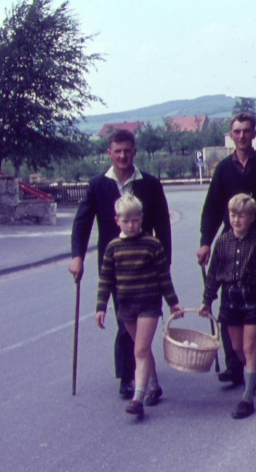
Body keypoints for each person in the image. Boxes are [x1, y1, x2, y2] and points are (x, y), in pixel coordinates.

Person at [70, 129, 173, 399]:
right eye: (117, 151)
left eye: (127, 150)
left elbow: (163, 226)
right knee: (125, 318)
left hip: (145, 263)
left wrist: (165, 265)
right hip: (114, 264)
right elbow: (82, 222)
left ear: (134, 152)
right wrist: (77, 256)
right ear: (109, 153)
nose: (123, 156)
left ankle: (139, 376)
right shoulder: (97, 185)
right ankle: (128, 376)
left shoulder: (150, 184)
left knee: (143, 319)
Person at [196, 112, 256, 385]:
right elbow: (212, 209)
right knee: (230, 305)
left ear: (254, 135)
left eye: (246, 131)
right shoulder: (224, 170)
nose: (241, 136)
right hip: (231, 246)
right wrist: (206, 241)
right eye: (236, 131)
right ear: (231, 135)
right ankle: (234, 365)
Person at [96, 194, 184, 418]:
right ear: (117, 221)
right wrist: (100, 307)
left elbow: (164, 277)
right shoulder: (113, 248)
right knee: (141, 349)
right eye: (126, 221)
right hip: (126, 306)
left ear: (142, 218)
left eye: (135, 220)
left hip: (148, 304)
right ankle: (154, 385)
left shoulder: (152, 244)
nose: (131, 225)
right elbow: (106, 279)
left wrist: (173, 302)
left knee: (140, 350)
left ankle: (138, 398)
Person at [199, 193, 256, 419]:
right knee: (236, 347)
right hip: (230, 300)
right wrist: (207, 300)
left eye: (242, 216)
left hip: (254, 300)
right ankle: (250, 373)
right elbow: (214, 274)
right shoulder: (222, 241)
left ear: (251, 218)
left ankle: (247, 398)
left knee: (249, 347)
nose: (236, 220)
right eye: (233, 215)